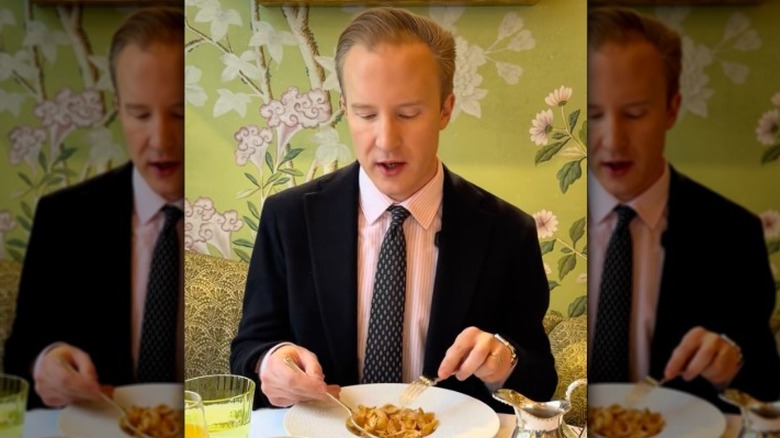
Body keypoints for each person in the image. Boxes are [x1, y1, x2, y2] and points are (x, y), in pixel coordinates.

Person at [230, 7, 557, 413]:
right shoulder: (289, 218)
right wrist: (270, 362)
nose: (386, 139)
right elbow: (250, 349)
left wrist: (503, 361)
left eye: (408, 114)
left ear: (445, 109)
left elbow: (540, 379)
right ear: (345, 109)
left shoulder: (509, 231)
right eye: (365, 114)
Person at [587, 7, 780, 412]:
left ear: (672, 109)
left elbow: (766, 386)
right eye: (593, 115)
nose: (613, 139)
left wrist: (732, 364)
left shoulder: (734, 233)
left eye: (635, 113)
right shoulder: (529, 228)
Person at [4, 6, 184, 409]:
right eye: (140, 113)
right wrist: (45, 363)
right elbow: (20, 356)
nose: (161, 140)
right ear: (119, 107)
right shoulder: (64, 218)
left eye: (180, 114)